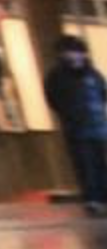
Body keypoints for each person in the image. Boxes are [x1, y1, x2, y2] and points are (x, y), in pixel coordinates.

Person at [43, 35, 107, 215]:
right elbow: (54, 100)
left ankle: (102, 197)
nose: (76, 56)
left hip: (99, 127)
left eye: (79, 52)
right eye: (71, 52)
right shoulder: (57, 76)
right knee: (85, 165)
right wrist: (70, 115)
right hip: (76, 128)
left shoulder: (93, 73)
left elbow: (103, 94)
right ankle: (92, 199)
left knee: (100, 163)